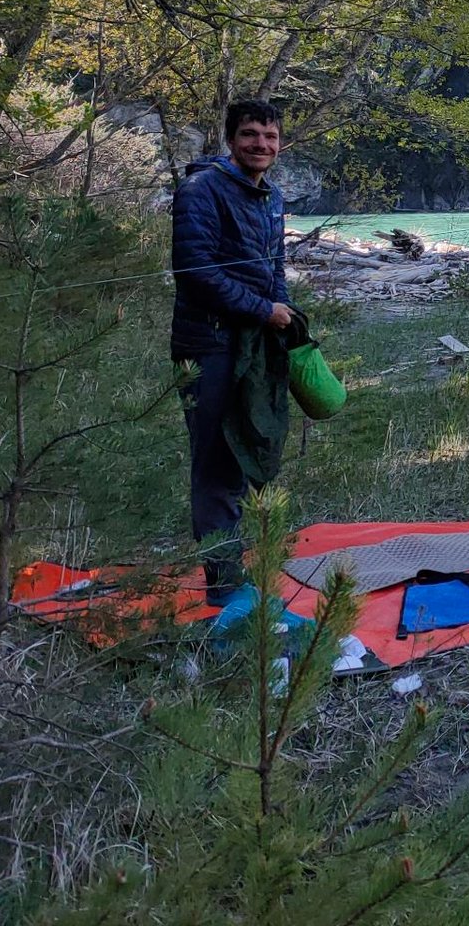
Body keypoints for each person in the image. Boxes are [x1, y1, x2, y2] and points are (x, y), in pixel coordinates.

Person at [171, 99, 293, 602]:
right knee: (217, 460)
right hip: (209, 341)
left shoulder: (271, 195)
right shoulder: (201, 190)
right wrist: (262, 310)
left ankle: (235, 561)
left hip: (253, 338)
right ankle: (224, 587)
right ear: (230, 139)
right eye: (249, 135)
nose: (260, 144)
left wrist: (285, 315)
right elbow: (195, 270)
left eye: (269, 136)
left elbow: (274, 266)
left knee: (245, 447)